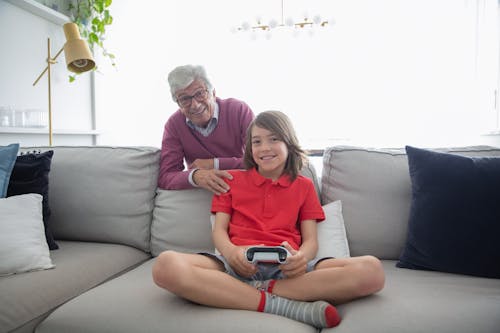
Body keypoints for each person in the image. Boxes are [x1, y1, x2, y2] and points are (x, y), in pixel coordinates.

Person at [152, 111, 385, 329]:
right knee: (165, 266)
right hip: (235, 265)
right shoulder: (231, 179)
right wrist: (232, 254)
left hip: (287, 269)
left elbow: (311, 241)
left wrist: (300, 259)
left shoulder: (303, 186)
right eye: (257, 141)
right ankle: (278, 304)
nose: (265, 148)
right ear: (249, 148)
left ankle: (253, 291)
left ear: (288, 143)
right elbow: (220, 232)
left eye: (273, 139)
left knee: (372, 271)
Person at [158, 64, 254, 194]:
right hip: (204, 194)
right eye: (184, 99)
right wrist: (195, 176)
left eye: (200, 94)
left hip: (242, 186)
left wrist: (215, 164)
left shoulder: (238, 110)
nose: (195, 105)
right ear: (178, 103)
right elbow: (166, 177)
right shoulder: (174, 125)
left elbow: (259, 159)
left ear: (213, 93)